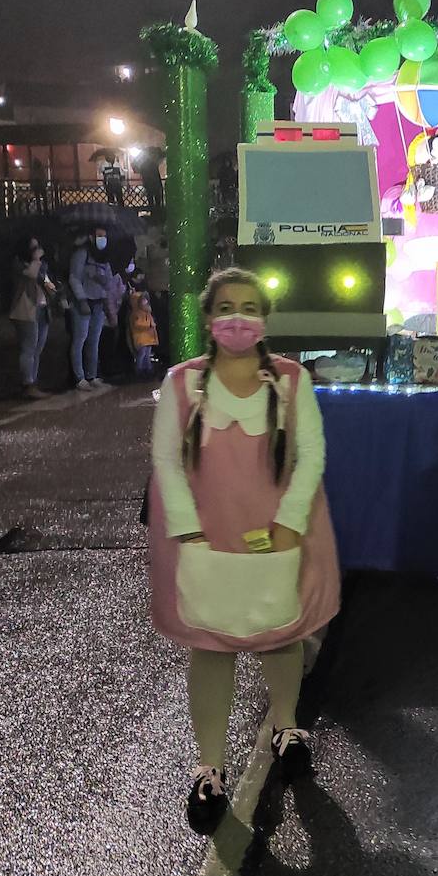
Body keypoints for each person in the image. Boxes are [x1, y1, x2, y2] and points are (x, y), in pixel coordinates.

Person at [148, 267, 341, 834]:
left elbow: (310, 456)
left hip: (274, 535)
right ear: (209, 319)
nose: (238, 318)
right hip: (206, 537)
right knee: (212, 646)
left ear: (264, 321)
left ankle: (286, 725)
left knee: (279, 634)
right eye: (227, 307)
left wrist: (288, 524)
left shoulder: (290, 380)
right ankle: (210, 765)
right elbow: (165, 462)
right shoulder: (184, 384)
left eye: (250, 308)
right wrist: (186, 530)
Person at [10, 237, 57, 399]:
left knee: (38, 348)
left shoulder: (41, 266)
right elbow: (31, 274)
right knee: (28, 347)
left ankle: (33, 381)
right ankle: (27, 383)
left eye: (38, 246)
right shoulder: (19, 265)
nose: (37, 250)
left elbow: (46, 281)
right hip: (25, 310)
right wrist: (36, 260)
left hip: (42, 308)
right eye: (33, 248)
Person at [68, 228, 111, 391]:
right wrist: (81, 299)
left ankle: (92, 375)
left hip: (98, 301)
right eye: (99, 236)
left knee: (94, 340)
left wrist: (102, 279)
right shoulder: (81, 254)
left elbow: (109, 279)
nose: (103, 239)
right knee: (80, 339)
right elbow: (74, 278)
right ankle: (79, 377)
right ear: (90, 237)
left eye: (104, 236)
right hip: (83, 302)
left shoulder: (103, 256)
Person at [128, 271, 159, 377]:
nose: (145, 302)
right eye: (143, 300)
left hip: (148, 337)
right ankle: (140, 369)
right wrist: (149, 326)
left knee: (146, 354)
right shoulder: (137, 314)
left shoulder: (147, 312)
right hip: (142, 337)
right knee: (142, 354)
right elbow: (137, 325)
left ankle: (147, 368)